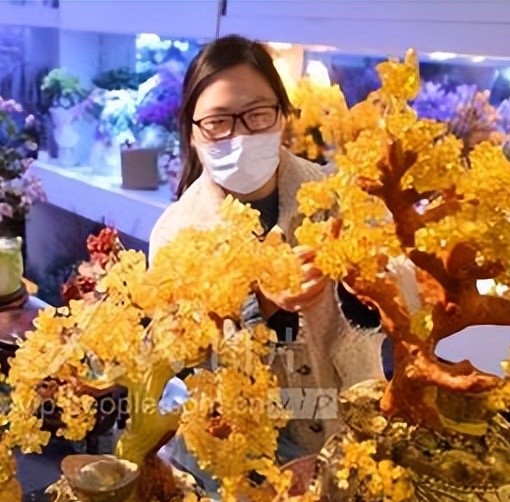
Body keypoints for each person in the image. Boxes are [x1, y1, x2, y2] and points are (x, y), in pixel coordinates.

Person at [148, 34, 385, 460]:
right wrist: (258, 304)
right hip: (239, 450)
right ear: (192, 133)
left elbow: (401, 300)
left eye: (257, 114)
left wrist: (361, 285)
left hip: (348, 437)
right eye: (218, 122)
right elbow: (181, 357)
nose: (240, 134)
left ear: (281, 117)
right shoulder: (176, 232)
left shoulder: (338, 197)